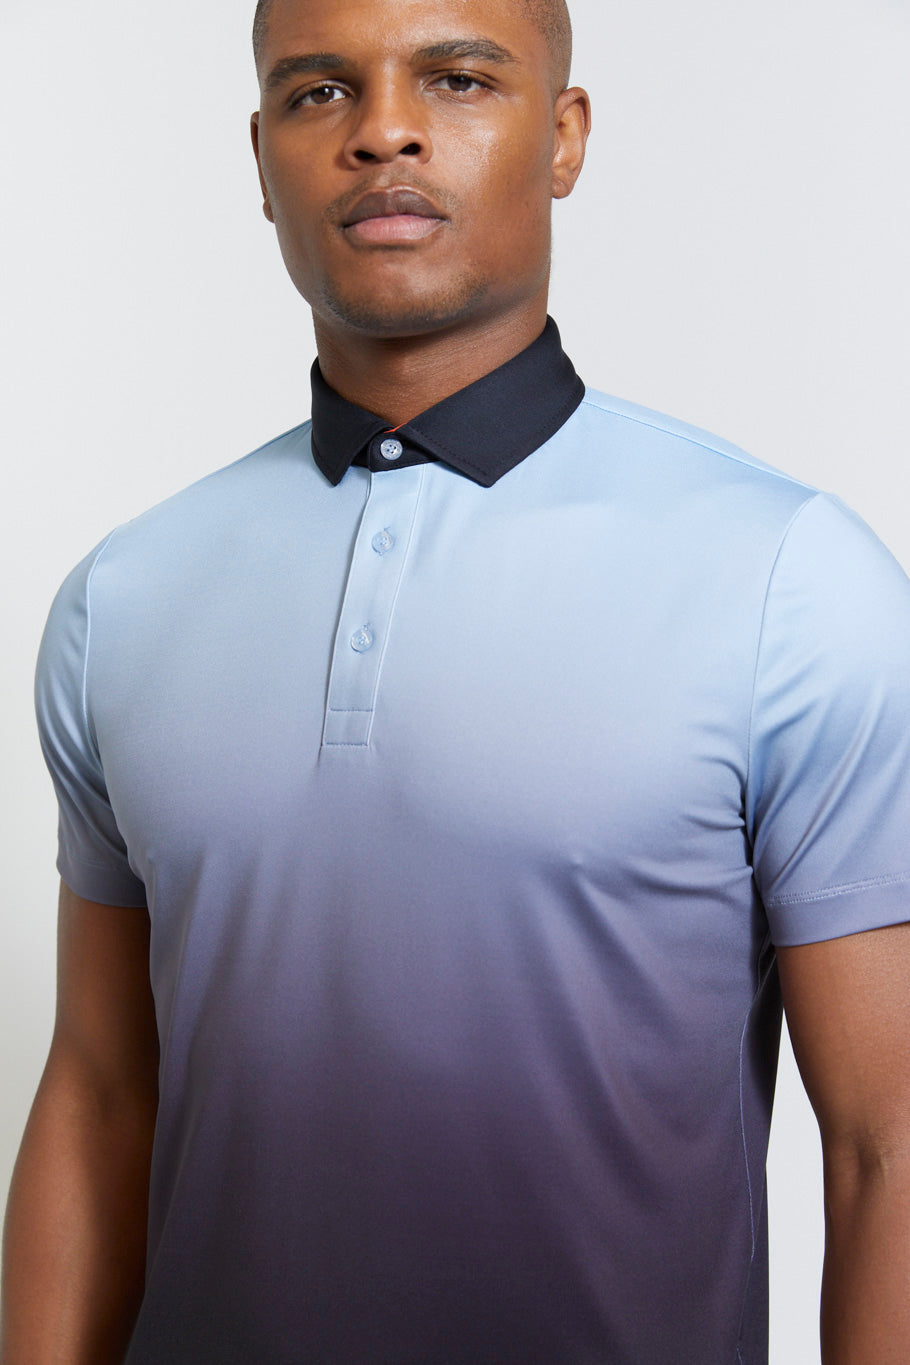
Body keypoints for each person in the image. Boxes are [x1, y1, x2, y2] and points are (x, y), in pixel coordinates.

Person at [3, 0, 910, 1359]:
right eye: (318, 92)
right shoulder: (121, 596)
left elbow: (887, 1138)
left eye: (458, 78)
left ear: (565, 136)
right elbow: (98, 1093)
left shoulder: (789, 578)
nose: (384, 131)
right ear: (261, 160)